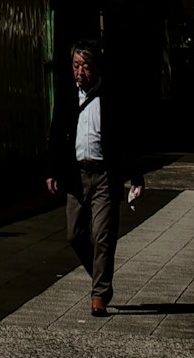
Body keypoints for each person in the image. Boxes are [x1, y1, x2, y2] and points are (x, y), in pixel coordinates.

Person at [45, 38, 144, 315]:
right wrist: (52, 171)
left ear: (97, 68)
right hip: (76, 176)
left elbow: (128, 138)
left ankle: (99, 294)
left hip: (104, 176)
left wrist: (136, 176)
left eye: (85, 66)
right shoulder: (66, 95)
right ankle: (101, 276)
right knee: (74, 233)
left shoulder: (113, 96)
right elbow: (55, 135)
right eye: (75, 66)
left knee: (103, 235)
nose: (79, 72)